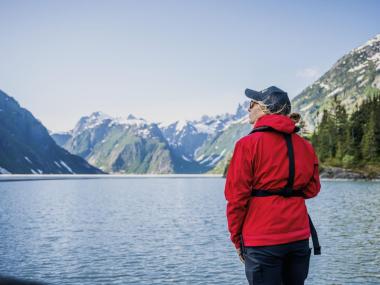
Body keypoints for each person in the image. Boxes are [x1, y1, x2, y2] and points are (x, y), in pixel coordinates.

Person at [224, 86, 321, 285]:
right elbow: (312, 190)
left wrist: (236, 238)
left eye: (252, 104)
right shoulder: (305, 146)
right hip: (299, 239)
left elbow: (236, 198)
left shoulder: (248, 144)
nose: (248, 108)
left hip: (262, 241)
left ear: (265, 108)